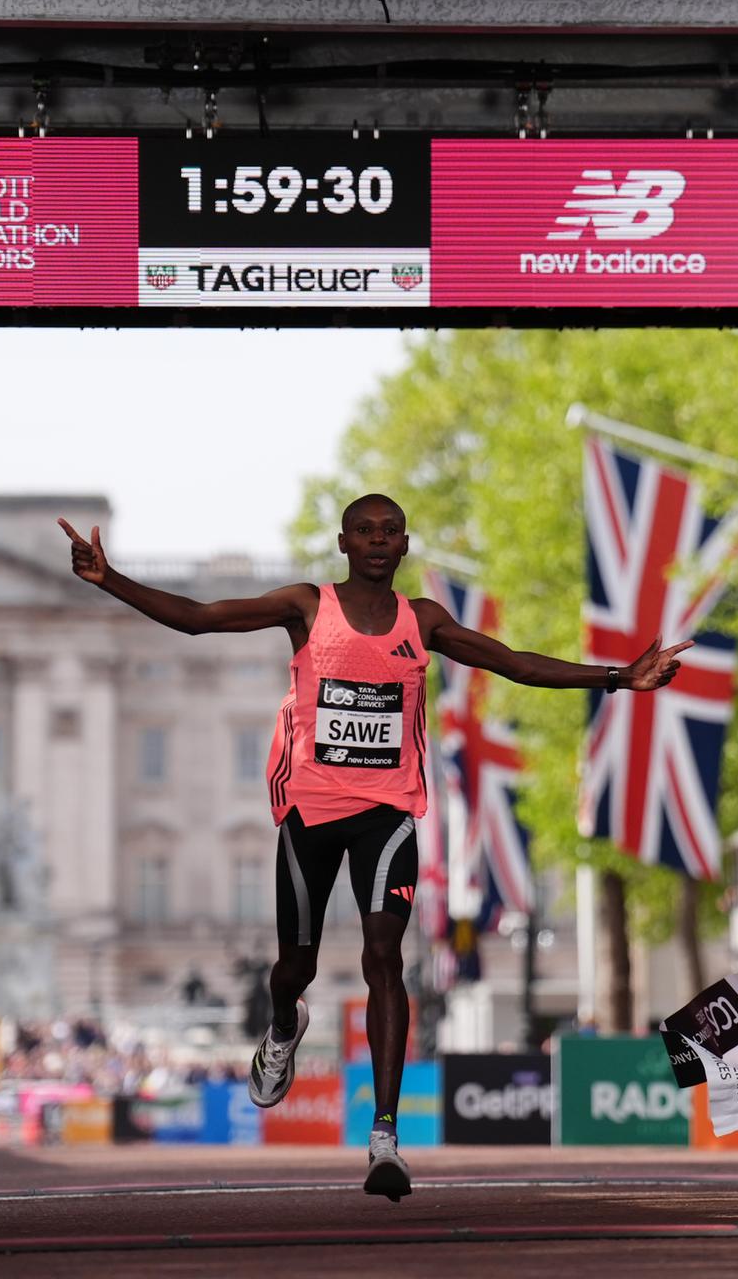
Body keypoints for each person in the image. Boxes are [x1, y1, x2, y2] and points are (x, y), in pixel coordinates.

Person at [58, 496, 689, 1199]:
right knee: (293, 967)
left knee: (384, 955)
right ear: (343, 542)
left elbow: (512, 663)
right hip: (311, 814)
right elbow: (202, 620)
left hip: (388, 813)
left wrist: (618, 679)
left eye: (390, 532)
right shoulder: (306, 607)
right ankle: (281, 1026)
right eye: (365, 531)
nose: (379, 541)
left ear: (406, 544)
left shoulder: (423, 622)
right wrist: (108, 579)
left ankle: (385, 1136)